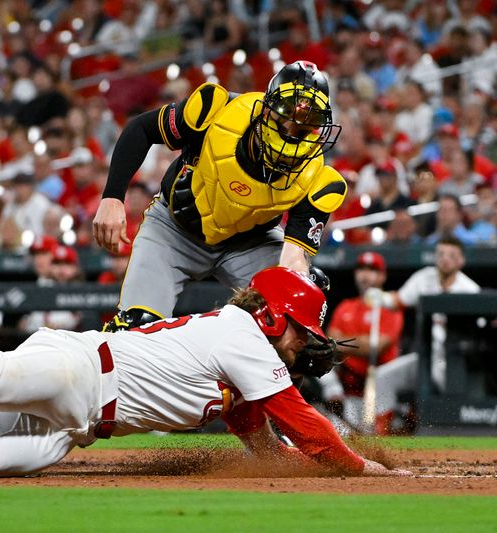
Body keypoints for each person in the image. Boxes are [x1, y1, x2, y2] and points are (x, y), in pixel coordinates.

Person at [0, 213, 408, 478]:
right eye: (302, 331)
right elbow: (311, 428)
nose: (306, 345)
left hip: (75, 425)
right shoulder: (245, 337)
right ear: (274, 319)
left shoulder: (245, 367)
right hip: (84, 370)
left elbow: (269, 445)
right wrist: (364, 468)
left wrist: (304, 463)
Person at [92, 61, 347, 331]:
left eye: (307, 124)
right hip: (174, 230)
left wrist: (295, 286)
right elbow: (141, 129)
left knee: (291, 324)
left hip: (248, 243)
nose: (293, 128)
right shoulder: (216, 110)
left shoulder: (319, 181)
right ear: (266, 108)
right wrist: (112, 197)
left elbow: (293, 258)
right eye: (286, 114)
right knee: (135, 331)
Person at [365, 236, 480, 399]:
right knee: (382, 377)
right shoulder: (424, 277)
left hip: (454, 360)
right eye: (441, 254)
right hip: (425, 356)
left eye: (451, 255)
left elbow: (481, 328)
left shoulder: (470, 289)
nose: (445, 259)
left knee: (451, 398)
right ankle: (385, 425)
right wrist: (380, 297)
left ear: (461, 261)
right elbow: (398, 301)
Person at [318, 252, 405, 434]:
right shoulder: (346, 307)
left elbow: (376, 347)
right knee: (319, 362)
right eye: (361, 269)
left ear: (382, 276)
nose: (365, 275)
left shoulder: (391, 307)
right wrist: (361, 343)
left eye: (372, 270)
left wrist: (349, 341)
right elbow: (331, 342)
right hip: (350, 389)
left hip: (380, 392)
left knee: (378, 435)